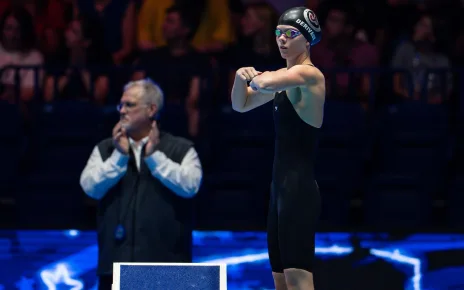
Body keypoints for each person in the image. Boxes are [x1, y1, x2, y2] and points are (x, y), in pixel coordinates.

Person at [231, 6, 325, 290]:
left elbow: (263, 82)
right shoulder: (284, 82)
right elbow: (241, 104)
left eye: (290, 34)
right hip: (279, 191)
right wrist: (239, 77)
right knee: (280, 282)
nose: (282, 39)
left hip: (299, 189)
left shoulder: (311, 76)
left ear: (307, 39)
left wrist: (255, 77)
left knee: (299, 280)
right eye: (278, 33)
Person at [80, 78, 203, 290]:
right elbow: (90, 188)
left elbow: (190, 186)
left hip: (168, 269)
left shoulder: (181, 149)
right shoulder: (105, 149)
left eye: (130, 105)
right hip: (114, 267)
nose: (122, 110)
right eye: (121, 104)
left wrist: (155, 158)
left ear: (151, 110)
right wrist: (119, 156)